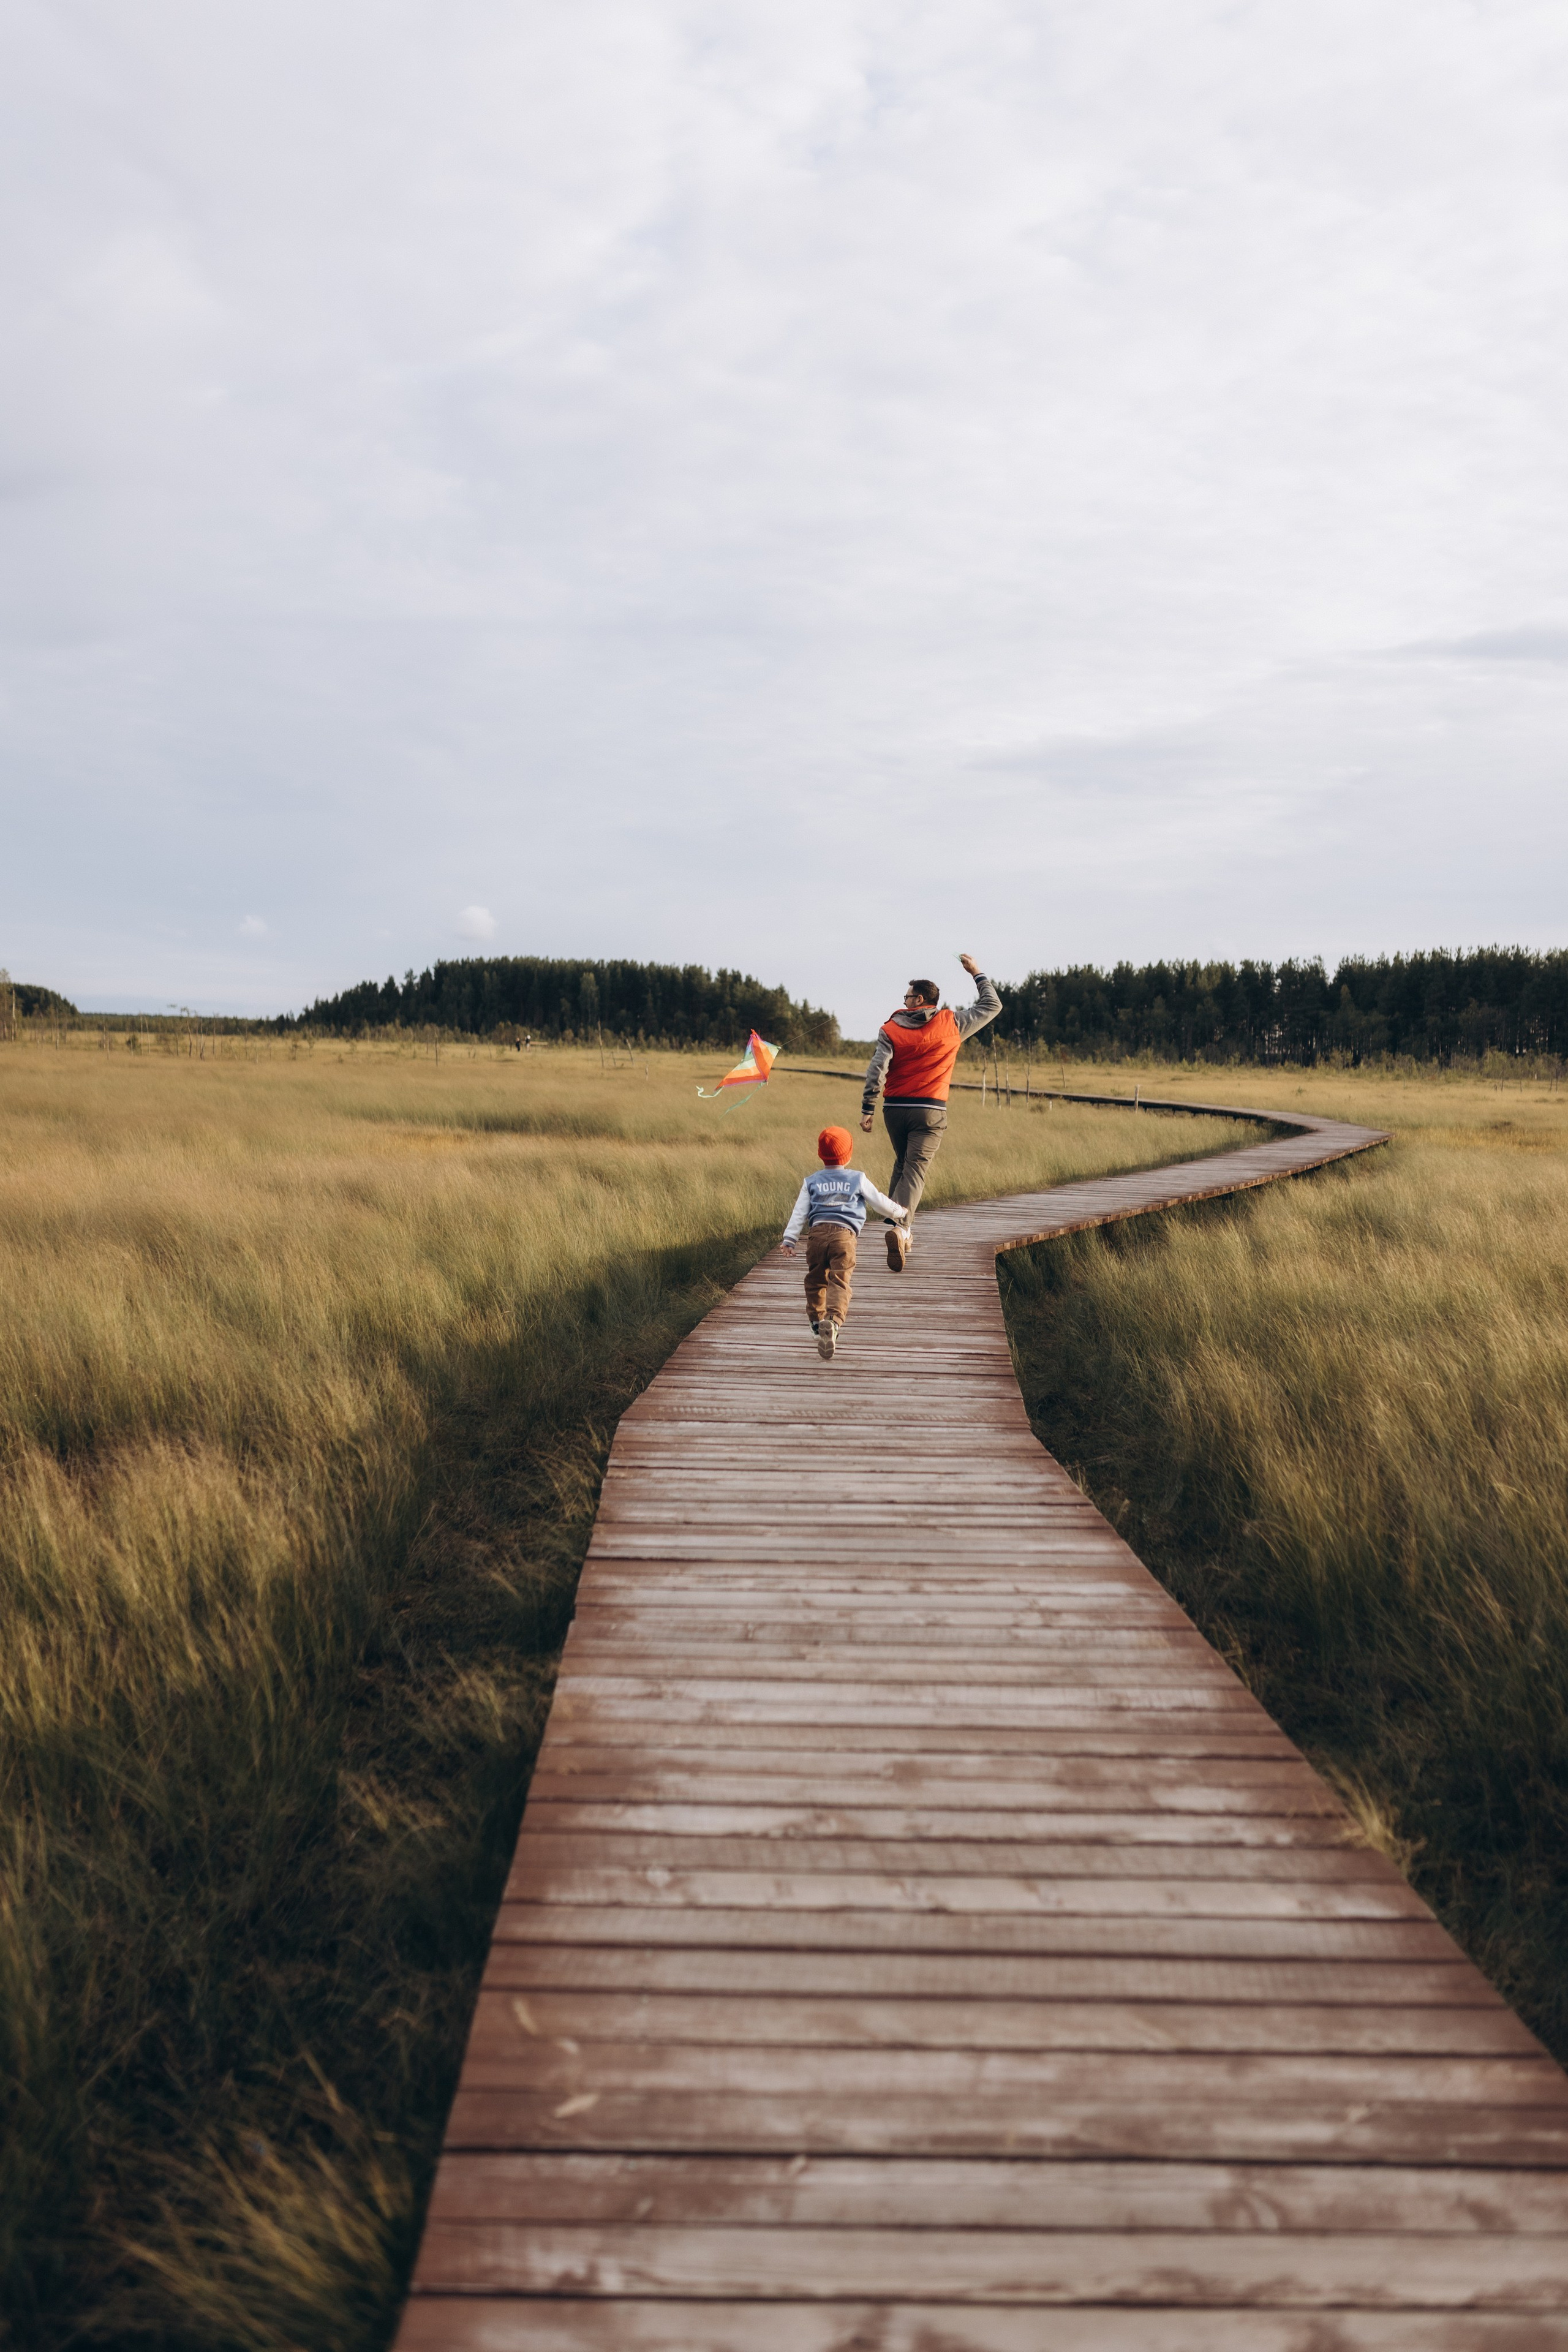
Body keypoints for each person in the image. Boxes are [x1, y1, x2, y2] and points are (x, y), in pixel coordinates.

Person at [860, 952, 1001, 1267]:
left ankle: (899, 1229)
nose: (905, 999)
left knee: (903, 1162)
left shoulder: (890, 1029)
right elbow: (992, 1006)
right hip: (930, 1111)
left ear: (918, 999)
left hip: (894, 1110)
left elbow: (877, 1069)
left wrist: (868, 1107)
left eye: (907, 995)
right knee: (915, 1168)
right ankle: (900, 1227)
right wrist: (976, 972)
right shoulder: (953, 1022)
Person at [780, 1125, 907, 1360]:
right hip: (844, 1237)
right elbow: (879, 1202)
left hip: (817, 1236)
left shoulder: (812, 1181)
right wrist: (899, 1212)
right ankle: (834, 1322)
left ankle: (817, 1322)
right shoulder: (857, 1178)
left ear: (821, 1155)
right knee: (839, 1281)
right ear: (848, 1155)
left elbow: (800, 1213)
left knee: (815, 1280)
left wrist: (790, 1239)